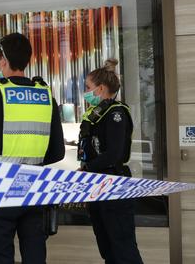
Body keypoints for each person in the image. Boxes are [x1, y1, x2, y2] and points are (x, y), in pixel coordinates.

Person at [0, 33, 65, 264]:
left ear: (3, 59)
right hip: (34, 186)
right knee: (35, 255)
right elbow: (58, 153)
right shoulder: (46, 95)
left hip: (1, 185)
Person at [78, 59, 143, 264]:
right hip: (97, 185)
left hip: (115, 184)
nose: (85, 91)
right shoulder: (96, 114)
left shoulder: (116, 113)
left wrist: (88, 168)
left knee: (122, 248)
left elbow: (114, 154)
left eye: (88, 87)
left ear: (101, 88)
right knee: (107, 248)